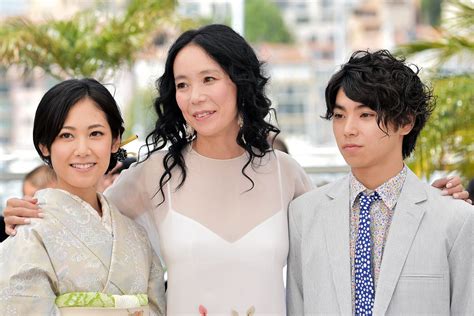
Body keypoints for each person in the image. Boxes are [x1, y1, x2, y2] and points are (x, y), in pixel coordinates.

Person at [2, 25, 469, 314]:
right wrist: (23, 216)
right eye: (183, 84)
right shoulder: (152, 175)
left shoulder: (287, 174)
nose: (196, 96)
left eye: (209, 79)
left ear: (238, 83)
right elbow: (89, 221)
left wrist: (433, 200)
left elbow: (356, 214)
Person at [286, 50, 473, 315]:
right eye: (339, 116)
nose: (348, 128)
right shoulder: (303, 214)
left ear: (406, 121)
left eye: (366, 115)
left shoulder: (455, 219)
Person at [0, 79, 165, 315]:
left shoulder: (136, 235)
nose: (82, 149)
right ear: (45, 145)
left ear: (115, 140)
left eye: (96, 133)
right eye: (66, 136)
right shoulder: (29, 233)